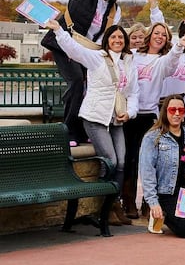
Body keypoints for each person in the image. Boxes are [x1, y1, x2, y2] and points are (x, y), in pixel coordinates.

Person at [45, 19, 138, 226]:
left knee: (122, 162)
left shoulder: (129, 62)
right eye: (113, 37)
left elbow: (133, 93)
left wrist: (130, 113)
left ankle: (114, 203)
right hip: (95, 117)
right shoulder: (97, 58)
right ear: (107, 41)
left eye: (120, 37)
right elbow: (75, 49)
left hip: (116, 118)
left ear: (125, 41)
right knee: (110, 160)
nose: (117, 40)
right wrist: (59, 30)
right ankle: (104, 208)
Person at [41, 0, 124, 145]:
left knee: (90, 86)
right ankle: (68, 131)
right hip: (63, 41)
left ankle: (82, 128)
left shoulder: (115, 11)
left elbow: (106, 39)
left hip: (87, 50)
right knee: (77, 81)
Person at [124, 22, 185, 219]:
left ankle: (148, 201)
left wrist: (179, 45)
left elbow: (172, 60)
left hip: (150, 115)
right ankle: (128, 201)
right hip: (129, 114)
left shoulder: (162, 61)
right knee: (129, 159)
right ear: (149, 35)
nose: (160, 37)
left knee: (150, 160)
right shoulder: (133, 56)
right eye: (157, 33)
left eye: (164, 34)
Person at [139, 94, 185, 238]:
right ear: (165, 112)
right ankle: (161, 213)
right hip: (168, 193)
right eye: (172, 110)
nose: (177, 114)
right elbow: (147, 172)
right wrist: (153, 202)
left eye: (181, 110)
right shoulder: (152, 137)